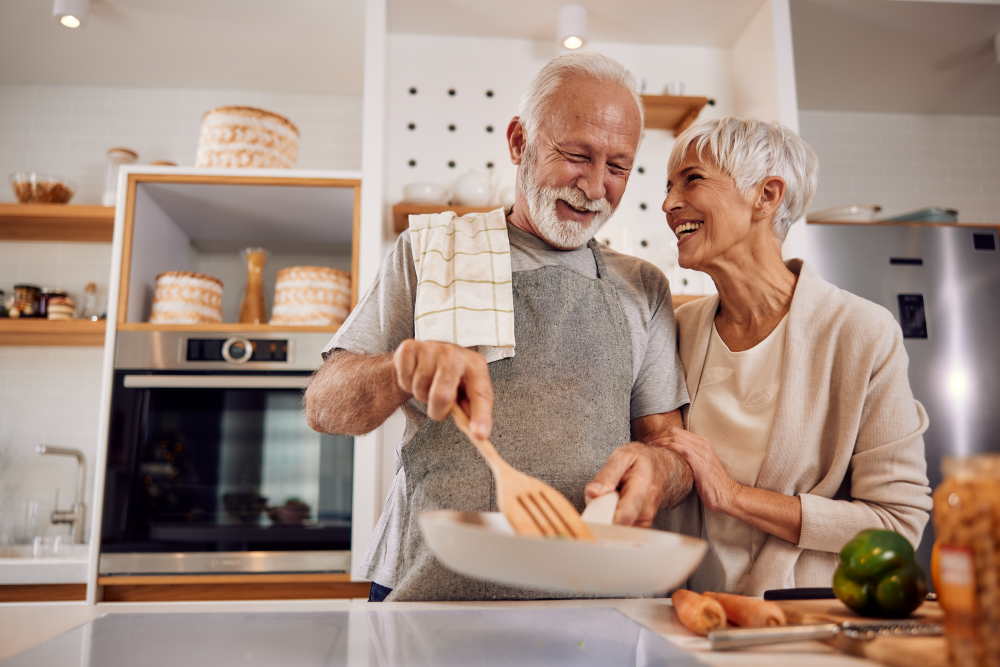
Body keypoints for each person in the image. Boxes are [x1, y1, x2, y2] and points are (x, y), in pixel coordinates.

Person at [305, 53, 694, 602]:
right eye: (577, 155)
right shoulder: (430, 253)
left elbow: (672, 451)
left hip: (589, 601)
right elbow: (324, 406)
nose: (595, 186)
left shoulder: (643, 286)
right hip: (429, 591)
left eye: (618, 167)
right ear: (518, 142)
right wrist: (399, 369)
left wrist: (660, 467)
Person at [654, 116, 933, 596]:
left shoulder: (861, 333)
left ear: (766, 196)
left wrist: (735, 496)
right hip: (687, 614)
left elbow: (895, 525)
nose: (668, 203)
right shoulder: (678, 330)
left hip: (798, 621)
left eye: (692, 179)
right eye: (667, 186)